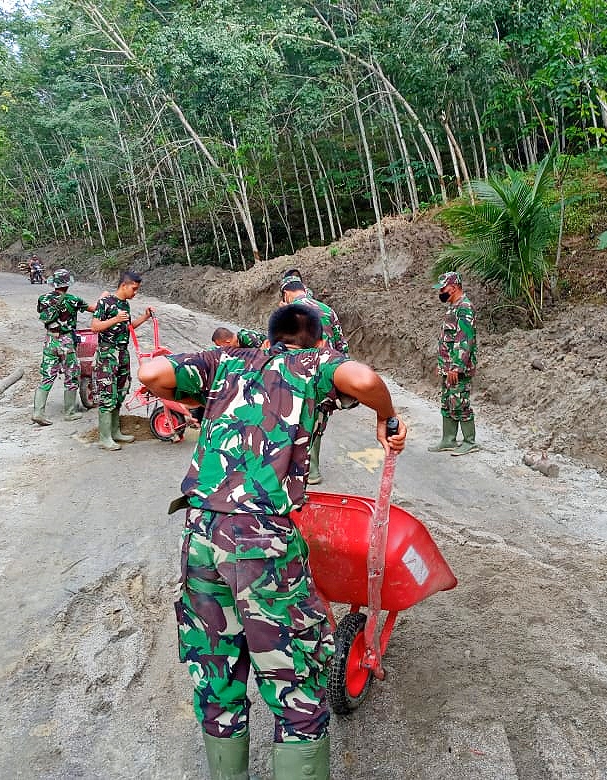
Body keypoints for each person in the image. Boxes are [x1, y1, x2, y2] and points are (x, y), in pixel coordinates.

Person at [137, 304, 406, 780]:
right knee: (295, 679)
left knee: (216, 674)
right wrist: (387, 418)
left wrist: (202, 405)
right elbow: (363, 380)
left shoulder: (227, 361)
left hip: (201, 534)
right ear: (318, 340)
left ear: (270, 336)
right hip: (262, 543)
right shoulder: (313, 364)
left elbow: (152, 371)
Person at [279, 279, 349, 484]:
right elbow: (341, 347)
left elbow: (279, 348)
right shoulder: (328, 310)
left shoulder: (289, 312)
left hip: (299, 377)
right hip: (325, 376)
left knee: (295, 421)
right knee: (318, 418)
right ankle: (314, 469)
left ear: (286, 294)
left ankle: (297, 470)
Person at [90, 270, 154, 450]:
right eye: (133, 289)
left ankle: (115, 431)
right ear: (123, 285)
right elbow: (95, 327)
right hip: (107, 354)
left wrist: (145, 317)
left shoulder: (125, 305)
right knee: (106, 393)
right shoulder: (105, 302)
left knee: (119, 392)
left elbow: (128, 327)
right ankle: (104, 437)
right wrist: (114, 319)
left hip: (122, 353)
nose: (135, 293)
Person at [32, 269, 97, 426]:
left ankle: (38, 412)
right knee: (71, 376)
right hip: (66, 341)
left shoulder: (43, 299)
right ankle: (69, 412)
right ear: (68, 284)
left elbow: (42, 313)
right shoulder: (72, 299)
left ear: (54, 283)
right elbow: (93, 309)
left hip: (49, 340)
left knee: (47, 376)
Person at [429, 270, 479, 455]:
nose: (440, 292)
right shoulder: (453, 307)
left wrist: (456, 367)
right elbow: (447, 339)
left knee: (460, 402)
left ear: (454, 287)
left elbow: (464, 339)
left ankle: (470, 441)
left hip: (458, 367)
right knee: (447, 402)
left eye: (443, 288)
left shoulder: (465, 307)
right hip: (448, 366)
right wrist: (443, 365)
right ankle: (448, 439)